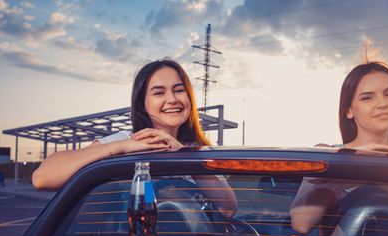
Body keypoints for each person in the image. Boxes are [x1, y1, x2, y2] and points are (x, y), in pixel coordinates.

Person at [32, 58, 237, 217]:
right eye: (159, 93)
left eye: (179, 90)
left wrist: (183, 155)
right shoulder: (125, 142)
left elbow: (227, 209)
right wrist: (117, 148)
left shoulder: (199, 151)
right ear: (142, 104)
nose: (172, 99)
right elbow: (43, 178)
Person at [290, 61, 388, 236]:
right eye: (367, 97)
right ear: (349, 110)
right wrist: (351, 163)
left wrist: (375, 166)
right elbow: (301, 224)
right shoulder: (328, 154)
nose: (383, 104)